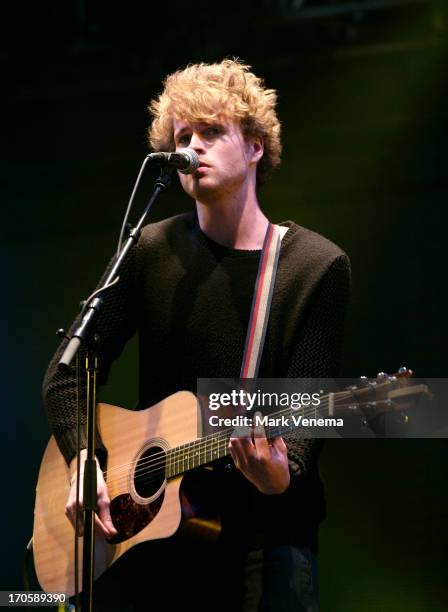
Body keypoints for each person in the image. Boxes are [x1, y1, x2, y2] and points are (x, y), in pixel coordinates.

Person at [43, 59, 351, 611]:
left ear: (256, 146)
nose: (194, 147)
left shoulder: (315, 267)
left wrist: (284, 473)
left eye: (211, 131)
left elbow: (305, 426)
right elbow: (65, 372)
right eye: (184, 136)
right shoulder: (150, 252)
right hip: (156, 546)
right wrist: (83, 456)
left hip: (266, 549)